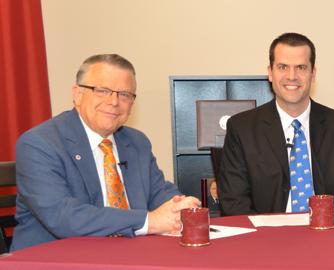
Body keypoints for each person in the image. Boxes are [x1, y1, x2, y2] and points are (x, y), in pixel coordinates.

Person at [12, 54, 200, 251]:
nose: (114, 102)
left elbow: (159, 192)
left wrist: (180, 206)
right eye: (102, 91)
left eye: (125, 94)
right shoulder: (39, 143)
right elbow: (63, 217)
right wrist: (149, 221)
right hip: (54, 258)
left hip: (130, 255)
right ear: (77, 94)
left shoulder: (136, 142)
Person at [218, 32, 334, 215]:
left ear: (313, 74)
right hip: (266, 238)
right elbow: (234, 202)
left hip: (328, 235)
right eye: (282, 67)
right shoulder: (242, 129)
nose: (292, 76)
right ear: (270, 73)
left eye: (301, 67)